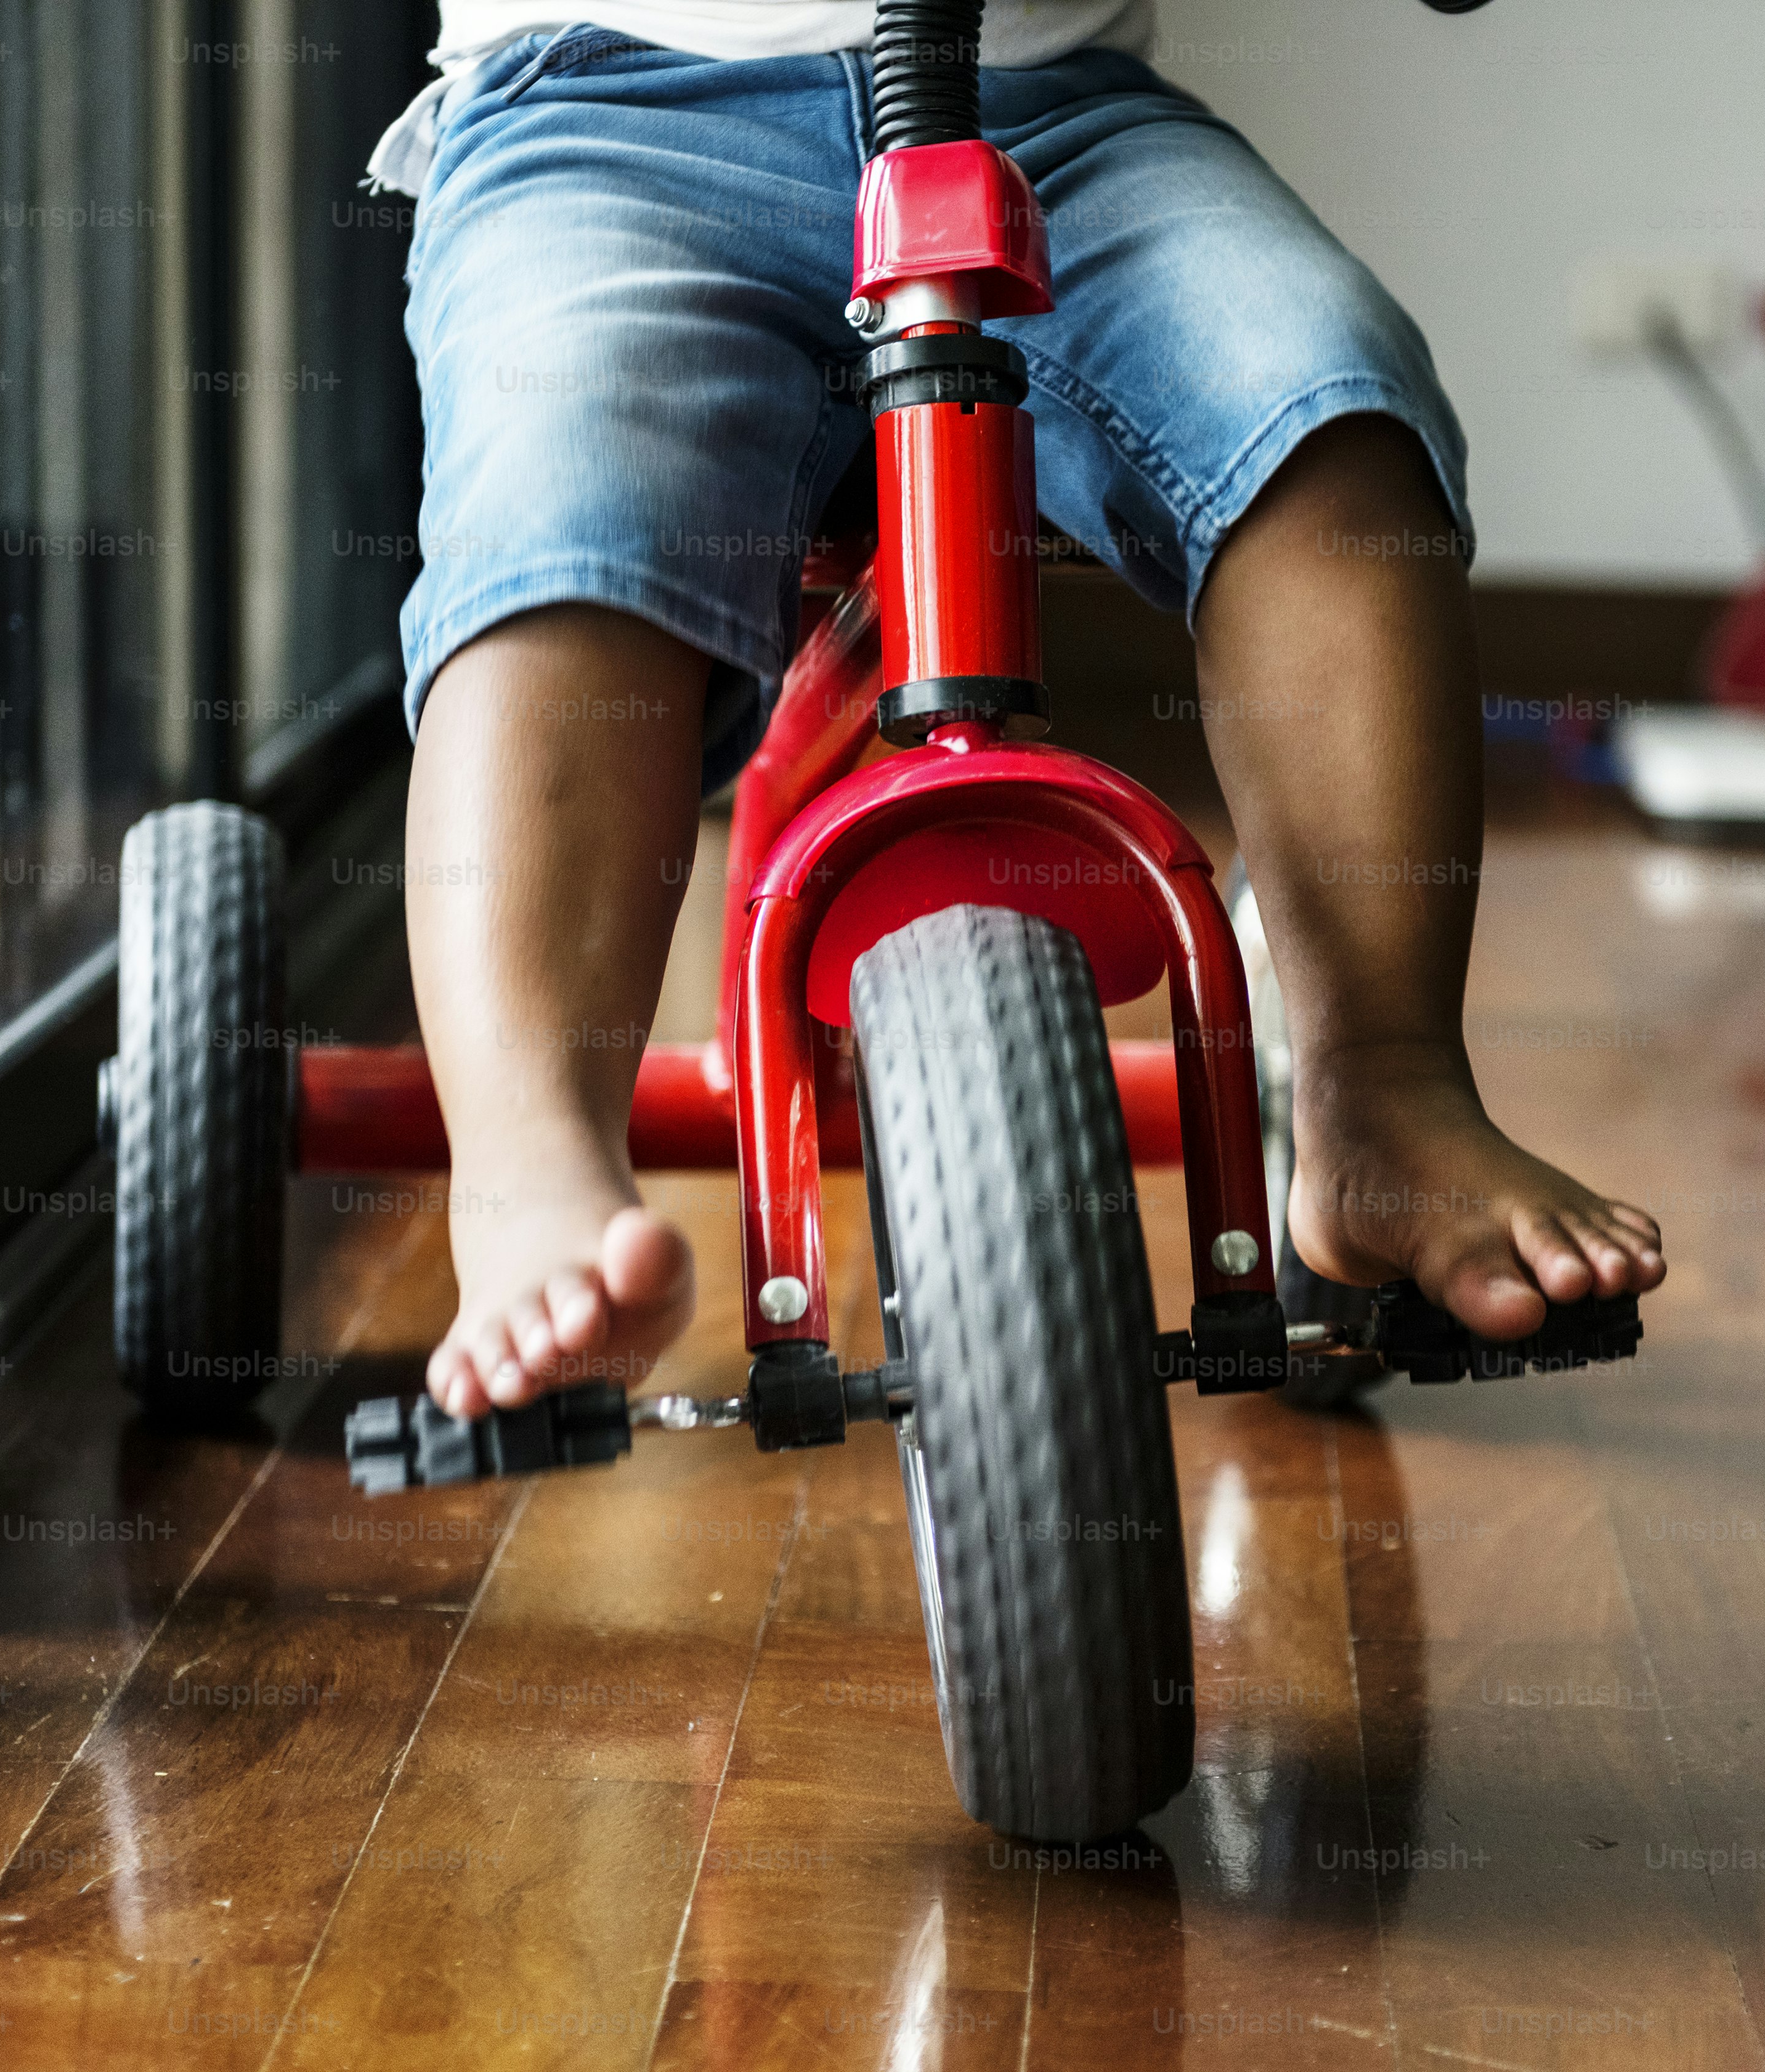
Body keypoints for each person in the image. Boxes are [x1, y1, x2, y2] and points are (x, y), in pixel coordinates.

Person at [376, 3, 1666, 1420]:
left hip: (1047, 116)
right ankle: (527, 1165)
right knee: (563, 504)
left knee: (1325, 409)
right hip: (618, 116)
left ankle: (1388, 1082)